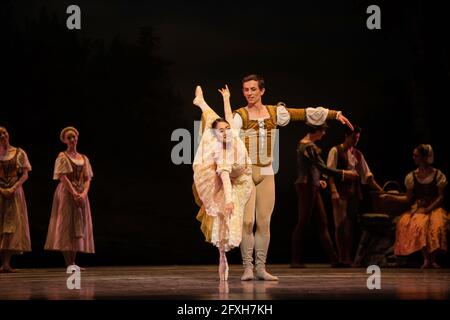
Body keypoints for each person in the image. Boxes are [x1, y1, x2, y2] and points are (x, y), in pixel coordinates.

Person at [233, 74, 354, 280]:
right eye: (246, 90)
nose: (250, 93)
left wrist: (334, 114)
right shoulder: (240, 116)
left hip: (266, 172)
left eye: (253, 89)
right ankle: (247, 268)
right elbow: (228, 138)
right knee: (246, 222)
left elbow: (303, 114)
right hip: (245, 173)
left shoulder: (274, 112)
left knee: (264, 222)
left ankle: (260, 268)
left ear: (262, 91)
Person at [193, 85, 253, 281]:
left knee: (215, 118)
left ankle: (201, 103)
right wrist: (228, 200)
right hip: (230, 181)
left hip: (244, 180)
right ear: (216, 135)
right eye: (221, 131)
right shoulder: (221, 154)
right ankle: (222, 256)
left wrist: (227, 98)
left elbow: (227, 118)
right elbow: (226, 180)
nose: (226, 132)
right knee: (224, 216)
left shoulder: (232, 133)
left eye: (227, 129)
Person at [291, 122, 359, 267]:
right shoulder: (307, 146)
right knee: (303, 223)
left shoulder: (308, 145)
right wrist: (343, 173)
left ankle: (335, 260)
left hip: (311, 185)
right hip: (306, 186)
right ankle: (295, 260)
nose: (324, 134)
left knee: (322, 223)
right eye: (322, 131)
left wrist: (318, 181)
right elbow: (321, 167)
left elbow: (311, 167)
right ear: (316, 130)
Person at [382, 144, 447, 268]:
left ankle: (433, 259)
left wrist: (429, 209)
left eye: (416, 155)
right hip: (419, 207)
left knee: (437, 224)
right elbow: (407, 198)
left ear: (424, 157)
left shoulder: (438, 174)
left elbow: (441, 197)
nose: (414, 158)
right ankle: (426, 259)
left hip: (434, 207)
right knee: (419, 224)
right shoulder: (412, 176)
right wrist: (391, 197)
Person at [327, 125, 382, 266]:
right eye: (353, 137)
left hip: (353, 192)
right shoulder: (336, 150)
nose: (356, 140)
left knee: (350, 225)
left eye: (358, 138)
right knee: (340, 224)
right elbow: (330, 173)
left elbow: (367, 176)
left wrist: (381, 191)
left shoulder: (357, 154)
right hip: (340, 191)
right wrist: (333, 190)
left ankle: (348, 257)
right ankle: (341, 256)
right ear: (346, 136)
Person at [44, 127, 95, 269]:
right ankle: (68, 263)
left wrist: (84, 194)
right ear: (65, 140)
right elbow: (62, 176)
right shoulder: (62, 156)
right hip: (67, 193)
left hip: (80, 193)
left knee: (78, 225)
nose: (72, 140)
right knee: (66, 225)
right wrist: (74, 193)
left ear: (77, 137)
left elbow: (87, 178)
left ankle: (73, 262)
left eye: (74, 137)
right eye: (69, 138)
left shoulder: (84, 158)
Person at [0, 126, 32, 273]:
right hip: (1, 191)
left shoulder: (19, 152)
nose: (2, 136)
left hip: (14, 192)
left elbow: (25, 174)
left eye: (4, 132)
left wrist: (13, 188)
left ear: (8, 134)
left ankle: (6, 263)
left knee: (11, 226)